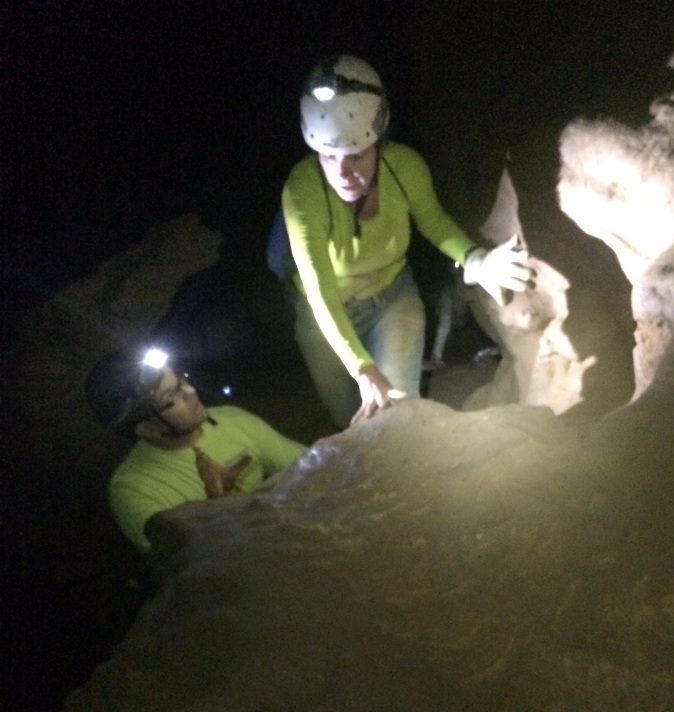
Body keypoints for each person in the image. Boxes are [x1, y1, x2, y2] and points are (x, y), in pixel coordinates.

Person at [281, 53, 536, 428]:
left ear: (378, 142)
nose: (343, 172)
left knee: (398, 415)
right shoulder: (301, 192)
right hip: (325, 314)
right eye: (328, 156)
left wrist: (475, 259)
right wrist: (362, 367)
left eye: (356, 155)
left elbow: (434, 221)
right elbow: (320, 292)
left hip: (392, 300)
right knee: (349, 418)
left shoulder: (404, 167)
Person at [86, 345, 307, 553]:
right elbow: (187, 564)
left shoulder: (230, 419)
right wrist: (220, 505)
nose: (191, 391)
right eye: (172, 395)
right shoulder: (133, 489)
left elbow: (310, 467)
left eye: (181, 380)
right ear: (148, 428)